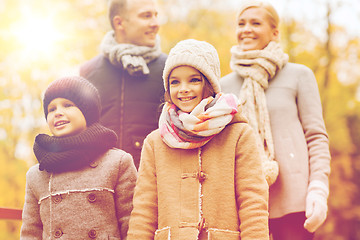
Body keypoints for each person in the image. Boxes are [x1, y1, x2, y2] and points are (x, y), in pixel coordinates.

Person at [126, 39, 270, 240]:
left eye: (194, 80)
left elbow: (253, 203)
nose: (183, 89)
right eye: (175, 81)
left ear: (210, 84)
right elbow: (144, 210)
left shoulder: (238, 134)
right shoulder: (155, 142)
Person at [220, 1, 331, 239]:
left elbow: (316, 137)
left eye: (255, 23)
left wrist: (318, 189)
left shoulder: (299, 75)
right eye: (241, 23)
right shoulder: (223, 86)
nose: (246, 29)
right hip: (244, 201)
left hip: (294, 202)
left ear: (275, 32)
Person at [20, 76, 137, 239]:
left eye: (68, 105)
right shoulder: (37, 174)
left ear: (88, 112)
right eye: (51, 109)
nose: (58, 112)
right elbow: (30, 232)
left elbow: (132, 223)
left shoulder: (117, 162)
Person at [80, 0, 167, 169]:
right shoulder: (88, 72)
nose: (156, 24)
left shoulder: (169, 68)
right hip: (100, 182)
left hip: (150, 182)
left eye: (156, 15)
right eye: (146, 16)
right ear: (119, 23)